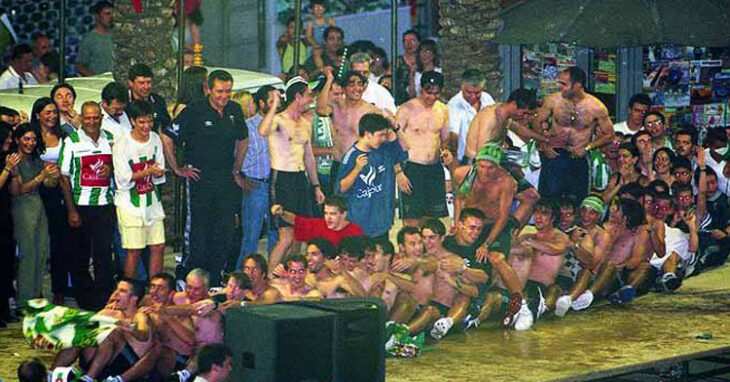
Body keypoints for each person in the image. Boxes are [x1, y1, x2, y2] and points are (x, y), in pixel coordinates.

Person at [162, 70, 249, 286]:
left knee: (224, 231)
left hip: (225, 181)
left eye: (228, 91)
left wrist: (236, 170)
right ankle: (187, 276)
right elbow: (167, 136)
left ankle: (214, 278)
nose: (224, 96)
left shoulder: (235, 110)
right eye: (219, 91)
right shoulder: (194, 111)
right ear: (207, 89)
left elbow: (243, 139)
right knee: (199, 232)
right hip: (199, 180)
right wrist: (178, 168)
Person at [449, 142, 533, 329]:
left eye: (490, 167)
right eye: (482, 166)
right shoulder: (462, 174)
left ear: (498, 167)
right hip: (472, 221)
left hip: (496, 225)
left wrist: (486, 244)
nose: (485, 171)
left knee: (496, 258)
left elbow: (503, 216)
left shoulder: (506, 182)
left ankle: (523, 306)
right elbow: (458, 200)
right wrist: (457, 225)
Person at [259, 77, 325, 272]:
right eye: (308, 95)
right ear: (297, 96)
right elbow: (262, 130)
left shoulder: (305, 123)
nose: (311, 99)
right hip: (281, 179)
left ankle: (288, 274)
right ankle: (270, 277)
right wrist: (275, 106)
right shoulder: (278, 120)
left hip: (300, 179)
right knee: (286, 236)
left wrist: (316, 186)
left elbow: (309, 158)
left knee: (300, 235)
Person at [59, 101, 115, 310]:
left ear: (100, 117)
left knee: (103, 254)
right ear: (81, 118)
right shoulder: (72, 141)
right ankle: (86, 300)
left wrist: (111, 169)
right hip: (80, 205)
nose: (91, 121)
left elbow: (118, 165)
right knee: (80, 255)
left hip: (105, 204)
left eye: (95, 117)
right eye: (87, 117)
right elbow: (64, 177)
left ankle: (104, 299)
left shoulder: (110, 139)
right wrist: (72, 209)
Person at [464, 88, 547, 226]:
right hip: (479, 168)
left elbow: (520, 130)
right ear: (514, 104)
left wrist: (545, 139)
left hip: (496, 165)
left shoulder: (504, 115)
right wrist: (506, 173)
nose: (525, 118)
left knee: (531, 197)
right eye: (524, 113)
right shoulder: (490, 117)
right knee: (494, 207)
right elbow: (482, 153)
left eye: (529, 114)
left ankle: (509, 234)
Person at [535, 67, 614, 203]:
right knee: (548, 201)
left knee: (577, 202)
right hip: (555, 156)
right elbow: (537, 121)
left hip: (578, 157)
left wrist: (588, 147)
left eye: (564, 84)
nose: (560, 87)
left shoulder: (596, 107)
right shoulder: (553, 101)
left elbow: (609, 134)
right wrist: (544, 144)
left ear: (577, 85)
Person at [113, 100, 166, 279]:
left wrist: (157, 173)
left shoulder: (156, 139)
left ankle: (155, 291)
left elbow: (159, 172)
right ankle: (130, 291)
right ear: (133, 121)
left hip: (152, 201)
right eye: (142, 122)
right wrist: (149, 171)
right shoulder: (122, 144)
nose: (146, 126)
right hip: (130, 204)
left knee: (158, 246)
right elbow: (123, 179)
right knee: (134, 250)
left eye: (150, 121)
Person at [337, 113, 408, 239]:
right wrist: (357, 169)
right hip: (359, 224)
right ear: (368, 134)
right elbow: (341, 188)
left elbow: (406, 147)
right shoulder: (351, 156)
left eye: (385, 135)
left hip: (381, 222)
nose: (384, 139)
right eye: (380, 135)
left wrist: (396, 128)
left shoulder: (385, 149)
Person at [572, 198, 651, 310]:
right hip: (597, 270)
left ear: (626, 214)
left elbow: (635, 260)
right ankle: (587, 293)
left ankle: (590, 295)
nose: (612, 211)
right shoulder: (607, 227)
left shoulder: (639, 232)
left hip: (618, 273)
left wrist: (617, 266)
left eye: (617, 210)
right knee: (606, 266)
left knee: (644, 265)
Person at [395, 71, 450, 226]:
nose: (431, 97)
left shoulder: (443, 110)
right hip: (412, 168)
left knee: (431, 223)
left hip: (433, 169)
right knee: (412, 220)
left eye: (436, 93)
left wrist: (445, 152)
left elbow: (444, 140)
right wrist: (398, 172)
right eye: (428, 92)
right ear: (421, 89)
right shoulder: (406, 109)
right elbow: (392, 142)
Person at [31, 97, 70, 306]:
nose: (52, 116)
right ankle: (34, 289)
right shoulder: (32, 137)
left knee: (59, 243)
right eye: (47, 112)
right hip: (36, 192)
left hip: (59, 192)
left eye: (54, 112)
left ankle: (59, 290)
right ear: (38, 115)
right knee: (37, 243)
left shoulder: (64, 135)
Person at [316, 68, 384, 189]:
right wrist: (329, 80)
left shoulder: (371, 111)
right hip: (339, 165)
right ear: (343, 88)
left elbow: (386, 139)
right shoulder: (336, 106)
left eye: (360, 84)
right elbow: (320, 109)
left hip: (362, 166)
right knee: (336, 206)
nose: (356, 88)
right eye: (351, 84)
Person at [8, 124, 53, 305]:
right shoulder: (14, 160)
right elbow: (18, 190)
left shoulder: (35, 159)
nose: (31, 143)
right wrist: (42, 177)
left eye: (33, 139)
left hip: (38, 207)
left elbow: (49, 183)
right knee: (28, 255)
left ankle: (35, 297)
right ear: (17, 140)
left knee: (41, 253)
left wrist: (53, 175)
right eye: (26, 139)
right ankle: (24, 301)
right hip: (21, 209)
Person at [238, 85, 278, 267]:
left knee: (275, 233)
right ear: (261, 103)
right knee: (251, 236)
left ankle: (272, 274)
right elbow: (237, 154)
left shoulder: (279, 123)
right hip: (255, 184)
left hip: (276, 185)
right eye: (271, 101)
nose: (276, 105)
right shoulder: (248, 127)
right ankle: (245, 275)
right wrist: (239, 176)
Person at [554, 196, 607, 317]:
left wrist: (572, 244)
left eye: (568, 215)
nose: (563, 219)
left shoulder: (582, 234)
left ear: (574, 216)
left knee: (587, 272)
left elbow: (589, 263)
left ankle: (569, 299)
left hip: (574, 277)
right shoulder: (548, 230)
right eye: (561, 214)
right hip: (554, 276)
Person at [271, 195, 364, 247]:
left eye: (333, 214)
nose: (328, 218)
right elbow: (295, 220)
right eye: (326, 213)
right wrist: (282, 213)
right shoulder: (318, 225)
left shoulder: (355, 232)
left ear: (343, 214)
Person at [447, 69, 495, 163]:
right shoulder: (453, 105)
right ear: (462, 87)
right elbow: (453, 137)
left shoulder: (487, 98)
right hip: (464, 158)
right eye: (469, 92)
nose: (473, 97)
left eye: (477, 93)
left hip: (486, 156)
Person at [0, 123, 19, 326]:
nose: (9, 141)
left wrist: (13, 174)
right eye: (6, 137)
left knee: (6, 266)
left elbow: (14, 190)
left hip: (6, 218)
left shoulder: (7, 159)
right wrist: (6, 169)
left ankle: (5, 308)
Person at [126, 64, 172, 133]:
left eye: (149, 82)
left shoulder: (158, 101)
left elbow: (166, 126)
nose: (146, 87)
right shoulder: (123, 102)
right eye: (141, 83)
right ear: (131, 83)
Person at [77, 1, 114, 76]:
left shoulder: (116, 36)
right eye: (106, 14)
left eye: (111, 14)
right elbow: (80, 67)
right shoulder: (89, 39)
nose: (110, 17)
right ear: (97, 16)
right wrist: (96, 78)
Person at [304, 0, 336, 72]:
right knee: (316, 53)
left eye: (320, 8)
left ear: (324, 9)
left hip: (329, 44)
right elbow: (308, 36)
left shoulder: (329, 20)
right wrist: (314, 44)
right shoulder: (311, 23)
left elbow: (335, 31)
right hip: (318, 45)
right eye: (315, 8)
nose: (318, 11)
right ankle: (321, 68)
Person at [394, 29, 420, 104]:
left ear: (418, 42)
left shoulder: (423, 61)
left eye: (412, 41)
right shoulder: (397, 61)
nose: (409, 44)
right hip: (400, 101)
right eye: (406, 41)